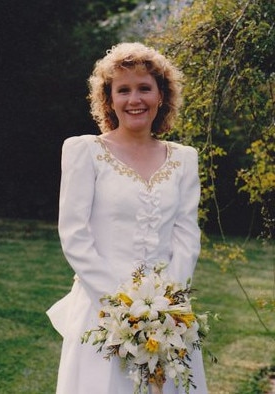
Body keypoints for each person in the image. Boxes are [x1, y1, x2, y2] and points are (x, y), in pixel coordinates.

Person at [47, 42, 208, 394]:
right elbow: (74, 234)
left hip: (168, 315)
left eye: (144, 88)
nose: (135, 99)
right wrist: (122, 310)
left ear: (161, 95)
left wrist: (167, 308)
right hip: (102, 310)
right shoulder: (84, 151)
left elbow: (186, 234)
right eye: (123, 90)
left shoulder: (184, 159)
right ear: (109, 99)